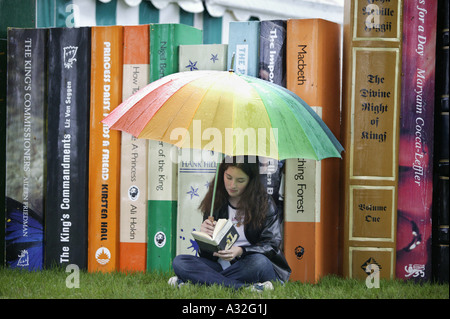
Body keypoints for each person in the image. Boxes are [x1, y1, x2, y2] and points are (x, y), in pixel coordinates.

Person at [170, 155, 291, 291]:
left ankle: (199, 282)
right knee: (180, 262)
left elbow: (272, 245)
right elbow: (206, 256)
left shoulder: (264, 203)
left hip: (251, 265)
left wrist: (241, 251)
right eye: (228, 177)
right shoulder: (216, 201)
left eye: (240, 180)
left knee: (259, 262)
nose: (232, 185)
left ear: (251, 181)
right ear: (222, 174)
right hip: (223, 266)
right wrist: (205, 238)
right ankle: (243, 288)